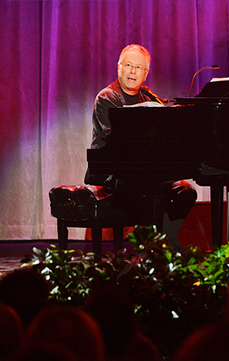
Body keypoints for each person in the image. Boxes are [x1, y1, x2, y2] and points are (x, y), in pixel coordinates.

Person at [85, 44, 197, 250]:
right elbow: (115, 139)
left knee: (186, 191)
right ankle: (156, 246)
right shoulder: (107, 97)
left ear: (145, 74)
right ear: (119, 67)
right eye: (128, 65)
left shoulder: (148, 98)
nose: (133, 72)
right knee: (144, 189)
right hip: (111, 173)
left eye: (139, 68)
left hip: (146, 171)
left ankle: (163, 240)